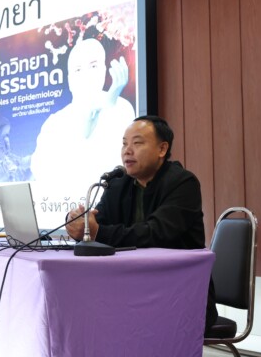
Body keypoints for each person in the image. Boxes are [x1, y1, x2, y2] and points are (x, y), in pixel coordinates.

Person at [65, 115, 218, 333]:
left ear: (162, 149)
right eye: (124, 144)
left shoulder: (183, 183)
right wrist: (79, 225)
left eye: (137, 143)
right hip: (131, 289)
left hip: (180, 293)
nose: (127, 151)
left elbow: (154, 234)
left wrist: (97, 231)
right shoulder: (117, 184)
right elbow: (97, 223)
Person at [30, 37, 135, 184]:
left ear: (104, 70)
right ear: (69, 80)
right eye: (78, 69)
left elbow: (126, 166)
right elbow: (41, 172)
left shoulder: (121, 108)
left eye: (93, 66)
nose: (86, 75)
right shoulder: (54, 124)